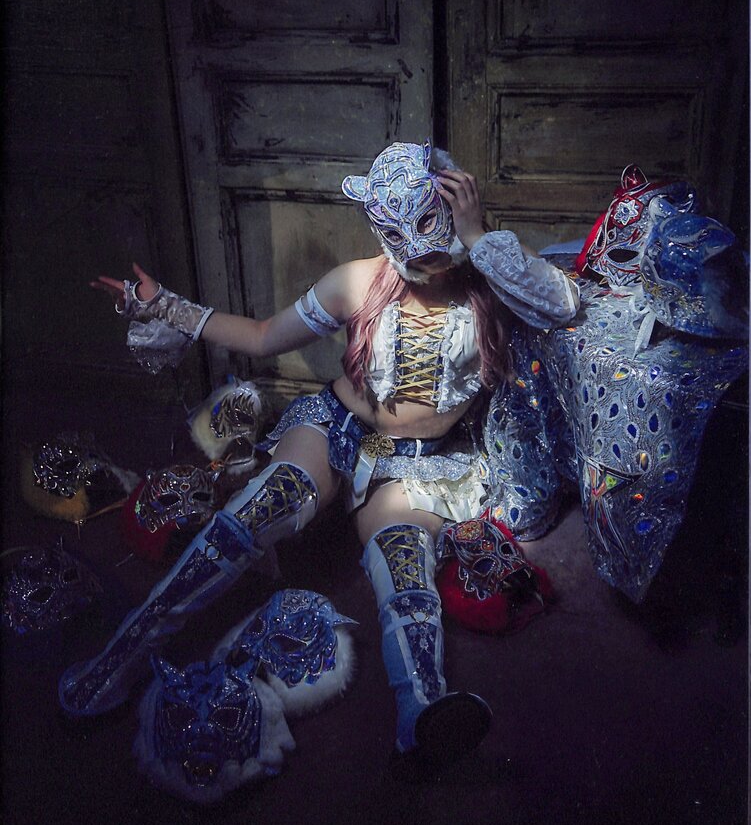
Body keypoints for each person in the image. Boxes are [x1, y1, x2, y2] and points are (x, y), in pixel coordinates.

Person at [59, 141, 579, 766]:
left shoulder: (494, 279)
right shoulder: (358, 281)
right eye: (401, 238)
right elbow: (261, 337)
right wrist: (165, 305)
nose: (420, 257)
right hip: (337, 427)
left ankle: (422, 711)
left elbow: (563, 305)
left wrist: (478, 235)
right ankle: (120, 657)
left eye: (433, 236)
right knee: (251, 516)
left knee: (405, 566)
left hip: (422, 461)